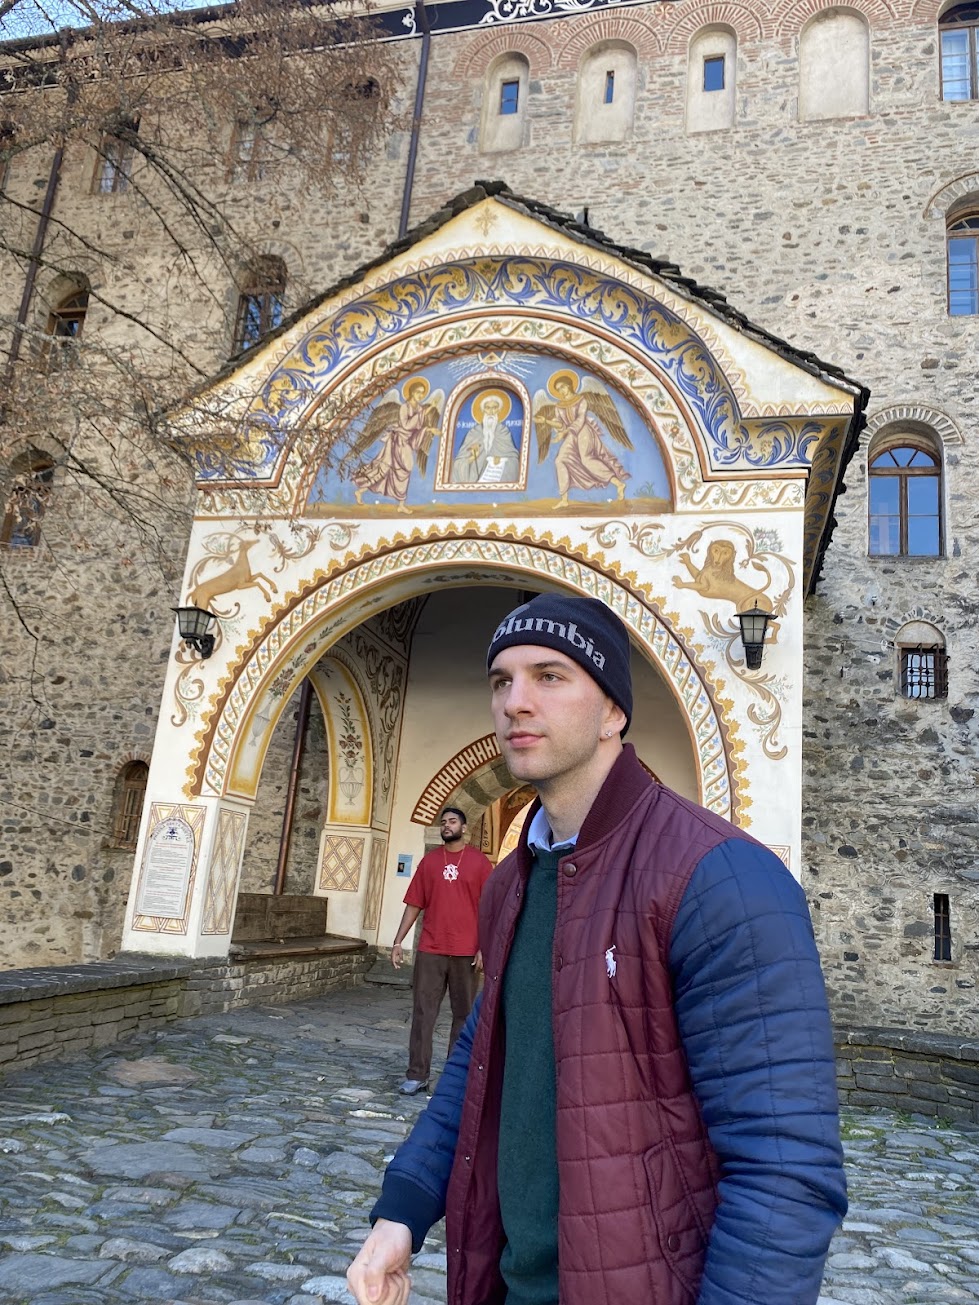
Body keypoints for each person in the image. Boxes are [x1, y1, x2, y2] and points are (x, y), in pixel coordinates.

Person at [348, 593, 847, 1305]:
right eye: (501, 679)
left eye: (550, 675)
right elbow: (485, 1057)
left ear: (613, 709)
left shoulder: (720, 878)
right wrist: (404, 1205)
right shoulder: (514, 881)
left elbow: (783, 1167)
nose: (515, 701)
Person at [390, 807, 494, 1096]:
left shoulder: (479, 863)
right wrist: (398, 941)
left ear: (464, 827)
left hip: (466, 953)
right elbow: (414, 904)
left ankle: (453, 1078)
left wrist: (485, 947)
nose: (447, 826)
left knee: (462, 1015)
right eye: (443, 823)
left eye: (452, 822)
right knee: (424, 1012)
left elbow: (489, 909)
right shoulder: (430, 862)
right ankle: (417, 1074)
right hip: (431, 949)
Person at [451, 392, 520, 484]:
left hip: (496, 477)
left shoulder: (503, 431)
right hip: (474, 481)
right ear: (483, 410)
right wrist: (471, 459)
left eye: (494, 408)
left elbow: (513, 459)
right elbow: (459, 462)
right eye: (488, 408)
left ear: (499, 410)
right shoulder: (474, 432)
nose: (491, 412)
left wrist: (502, 461)